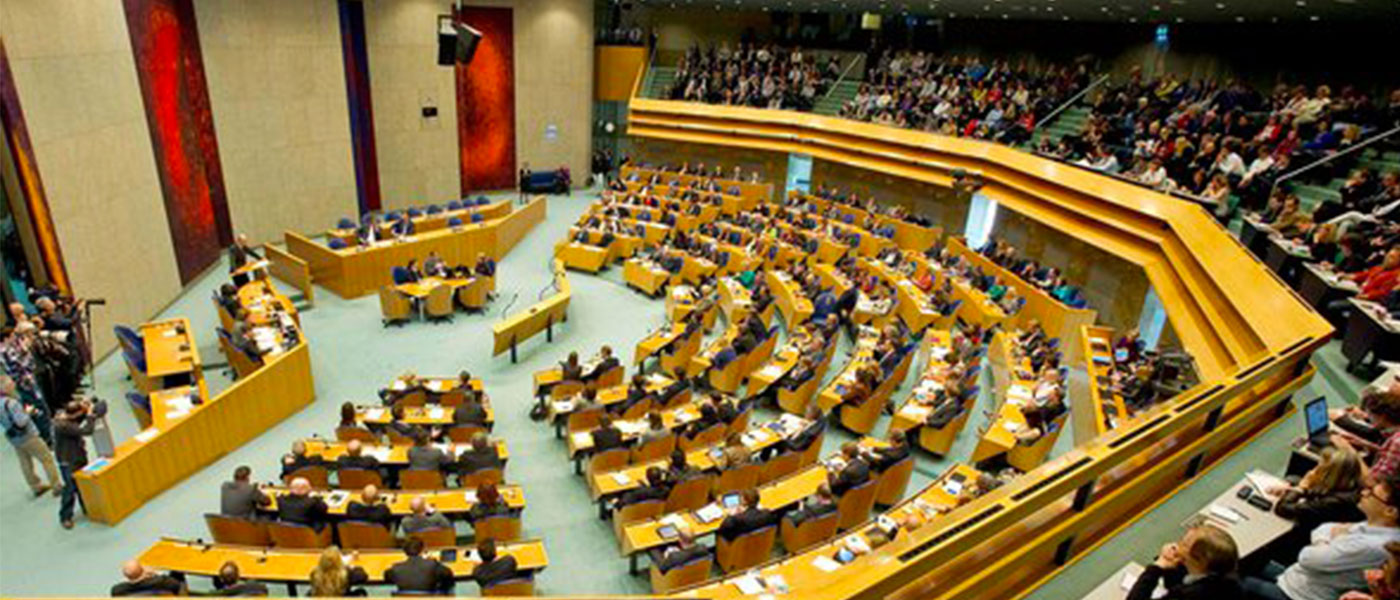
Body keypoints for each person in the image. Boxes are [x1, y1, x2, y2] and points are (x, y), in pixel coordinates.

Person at [1242, 475, 1400, 600]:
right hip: (1296, 576)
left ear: (1390, 511)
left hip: (1298, 593)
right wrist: (1328, 540)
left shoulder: (1375, 545)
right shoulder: (1375, 524)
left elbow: (1307, 558)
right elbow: (1325, 528)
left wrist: (1328, 538)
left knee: (1229, 581)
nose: (1364, 493)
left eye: (1372, 493)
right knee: (1249, 559)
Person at [1270, 447, 1367, 560]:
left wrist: (1300, 488)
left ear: (1329, 475)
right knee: (1292, 478)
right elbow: (1318, 491)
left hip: (1304, 545)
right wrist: (1290, 488)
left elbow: (1283, 508)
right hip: (1321, 529)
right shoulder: (1351, 486)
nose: (1313, 471)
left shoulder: (1335, 502)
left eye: (1319, 468)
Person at [1127, 524, 1242, 600]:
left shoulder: (1188, 595)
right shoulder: (1227, 574)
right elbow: (1174, 583)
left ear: (1200, 561)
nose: (1177, 546)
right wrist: (1171, 563)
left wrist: (1156, 567)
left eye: (1184, 544)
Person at [1, 375, 61, 497]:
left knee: (25, 461)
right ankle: (56, 485)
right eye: (10, 382)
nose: (13, 384)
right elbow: (21, 421)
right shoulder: (12, 403)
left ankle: (35, 486)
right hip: (28, 436)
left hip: (14, 438)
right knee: (46, 458)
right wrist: (28, 413)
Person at [54, 397, 102, 529]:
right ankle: (65, 516)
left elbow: (78, 421)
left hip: (77, 456)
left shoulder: (65, 418)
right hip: (69, 461)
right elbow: (87, 431)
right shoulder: (63, 425)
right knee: (70, 489)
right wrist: (90, 414)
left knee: (82, 485)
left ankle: (87, 508)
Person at [385, 538, 455, 595]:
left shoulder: (396, 568)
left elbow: (387, 577)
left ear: (405, 552)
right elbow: (448, 574)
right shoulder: (432, 564)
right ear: (422, 550)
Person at [110, 561, 185, 597]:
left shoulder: (117, 590)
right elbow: (177, 585)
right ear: (143, 570)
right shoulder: (162, 581)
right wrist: (155, 574)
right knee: (177, 573)